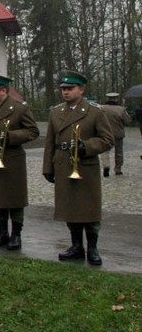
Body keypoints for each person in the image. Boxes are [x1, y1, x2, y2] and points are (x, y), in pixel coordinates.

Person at [43, 71, 114, 266]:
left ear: (81, 90)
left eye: (70, 89)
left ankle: (92, 247)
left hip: (85, 166)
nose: (65, 92)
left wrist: (88, 146)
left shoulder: (95, 111)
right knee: (70, 207)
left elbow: (108, 139)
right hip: (64, 165)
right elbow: (50, 142)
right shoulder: (56, 112)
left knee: (89, 209)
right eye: (63, 89)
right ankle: (76, 246)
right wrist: (47, 167)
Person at [0, 74, 40, 250]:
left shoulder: (19, 108)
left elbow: (32, 131)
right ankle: (2, 233)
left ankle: (16, 234)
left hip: (12, 158)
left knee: (14, 198)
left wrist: (12, 136)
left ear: (3, 90)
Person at [98, 93, 132, 177]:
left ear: (107, 98)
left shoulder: (101, 108)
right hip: (118, 134)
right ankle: (118, 169)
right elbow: (128, 121)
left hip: (105, 133)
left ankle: (106, 165)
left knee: (105, 151)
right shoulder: (121, 109)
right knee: (119, 152)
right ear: (116, 99)